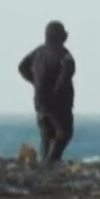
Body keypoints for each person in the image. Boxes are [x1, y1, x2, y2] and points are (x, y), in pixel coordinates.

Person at [17, 21, 76, 163]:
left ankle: (46, 165)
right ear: (61, 36)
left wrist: (35, 82)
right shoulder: (64, 54)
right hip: (58, 103)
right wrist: (57, 90)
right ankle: (50, 162)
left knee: (47, 136)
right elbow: (67, 72)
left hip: (40, 101)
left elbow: (22, 67)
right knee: (64, 133)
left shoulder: (38, 52)